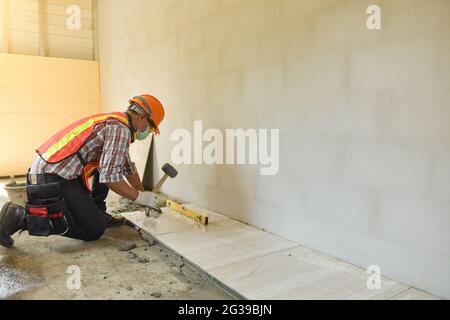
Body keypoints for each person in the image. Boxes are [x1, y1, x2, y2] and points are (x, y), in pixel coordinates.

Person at [0, 94, 165, 248]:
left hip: (55, 170)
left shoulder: (117, 122)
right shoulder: (120, 129)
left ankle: (98, 211)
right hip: (52, 176)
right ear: (143, 117)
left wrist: (144, 194)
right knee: (93, 229)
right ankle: (19, 217)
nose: (148, 133)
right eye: (150, 129)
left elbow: (126, 166)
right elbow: (110, 178)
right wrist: (140, 197)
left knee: (107, 166)